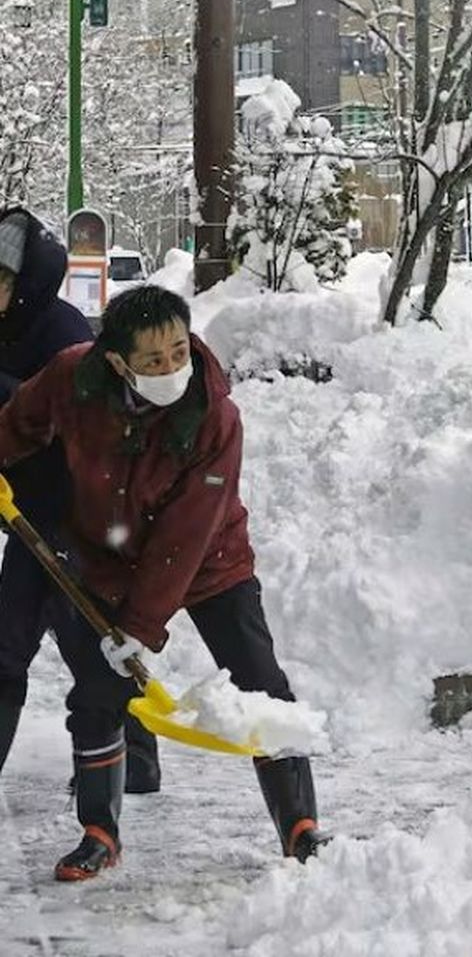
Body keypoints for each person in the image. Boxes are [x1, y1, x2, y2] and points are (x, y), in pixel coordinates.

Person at [0, 284, 329, 880]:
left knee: (260, 680)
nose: (172, 367)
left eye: (179, 350)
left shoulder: (214, 414)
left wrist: (140, 627)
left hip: (209, 560)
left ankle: (299, 824)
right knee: (98, 692)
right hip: (108, 555)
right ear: (116, 360)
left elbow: (187, 533)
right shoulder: (73, 377)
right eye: (153, 360)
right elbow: (20, 423)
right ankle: (99, 831)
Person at [0, 209, 160, 792]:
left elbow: (86, 425)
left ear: (27, 285)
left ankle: (134, 759)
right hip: (30, 518)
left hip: (84, 521)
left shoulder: (63, 333)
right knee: (7, 642)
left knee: (90, 643)